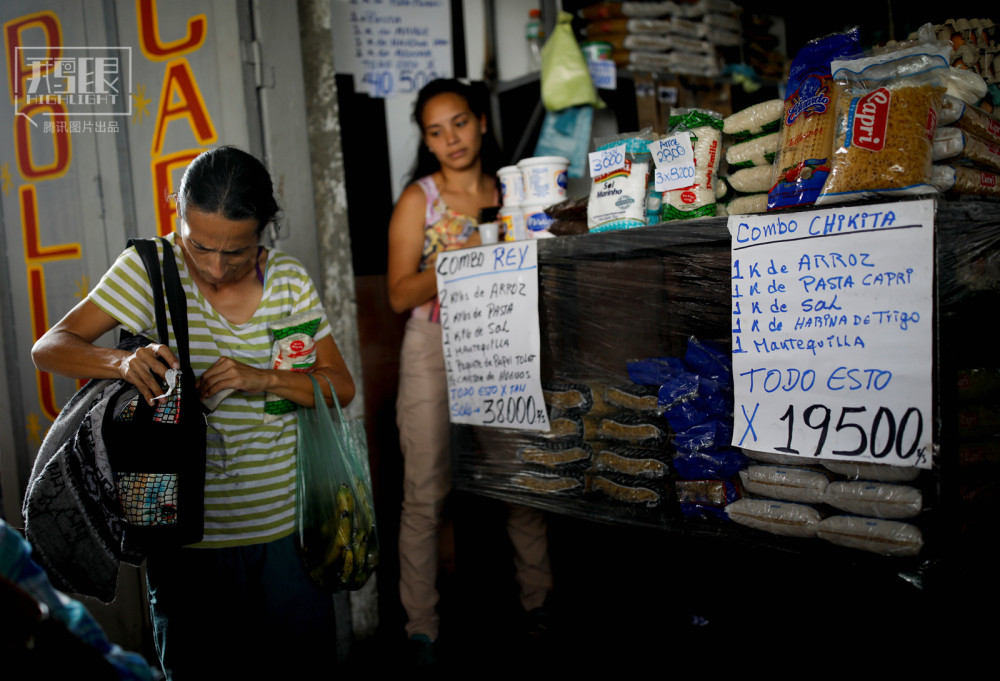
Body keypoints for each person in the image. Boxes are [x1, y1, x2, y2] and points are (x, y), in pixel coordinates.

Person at [31, 146, 356, 679]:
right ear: (177, 214)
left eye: (237, 252)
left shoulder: (289, 281)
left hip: (287, 532)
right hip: (186, 538)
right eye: (199, 245)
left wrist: (264, 377)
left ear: (263, 231)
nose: (215, 267)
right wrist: (121, 361)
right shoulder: (149, 270)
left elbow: (340, 387)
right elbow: (50, 347)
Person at [387, 78, 554, 665]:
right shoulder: (420, 200)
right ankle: (421, 629)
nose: (451, 139)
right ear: (427, 142)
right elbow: (398, 294)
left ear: (481, 121)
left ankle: (539, 606)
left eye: (459, 123)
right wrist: (452, 262)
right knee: (425, 492)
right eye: (436, 132)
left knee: (520, 481)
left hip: (501, 342)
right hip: (432, 344)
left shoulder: (511, 192)